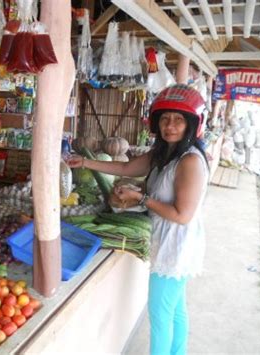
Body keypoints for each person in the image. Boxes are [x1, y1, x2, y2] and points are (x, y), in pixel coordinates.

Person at [68, 84, 209, 355]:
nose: (170, 125)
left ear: (192, 124)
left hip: (176, 244)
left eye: (178, 119)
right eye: (165, 118)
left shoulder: (190, 161)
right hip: (168, 238)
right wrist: (85, 163)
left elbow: (182, 215)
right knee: (175, 309)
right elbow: (124, 167)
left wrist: (140, 199)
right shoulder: (164, 153)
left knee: (159, 315)